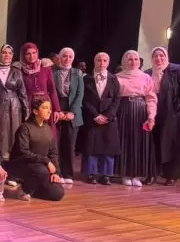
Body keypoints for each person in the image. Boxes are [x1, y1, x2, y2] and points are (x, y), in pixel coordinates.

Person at [145, 47, 180, 186]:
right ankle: (152, 174)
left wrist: (178, 106)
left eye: (161, 55)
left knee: (172, 144)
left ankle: (171, 175)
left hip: (173, 114)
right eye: (155, 56)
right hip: (153, 112)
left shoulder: (177, 70)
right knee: (153, 143)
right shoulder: (148, 73)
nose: (158, 58)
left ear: (166, 56)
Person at [4, 96, 65, 201]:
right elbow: (23, 152)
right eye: (45, 107)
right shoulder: (25, 128)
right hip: (22, 165)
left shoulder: (48, 129)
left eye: (49, 108)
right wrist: (46, 161)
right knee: (41, 171)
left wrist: (56, 173)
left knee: (58, 193)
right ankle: (24, 191)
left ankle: (34, 189)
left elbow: (53, 153)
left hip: (41, 167)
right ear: (35, 111)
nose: (49, 111)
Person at [115, 50, 157, 187]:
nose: (133, 62)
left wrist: (151, 117)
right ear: (124, 61)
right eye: (130, 59)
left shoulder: (146, 77)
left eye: (136, 59)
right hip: (122, 110)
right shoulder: (116, 77)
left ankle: (137, 175)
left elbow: (151, 98)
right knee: (124, 141)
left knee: (139, 142)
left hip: (140, 111)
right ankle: (124, 174)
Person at [0, 44, 29, 162]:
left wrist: (26, 111)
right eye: (4, 52)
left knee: (13, 135)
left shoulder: (16, 71)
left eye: (10, 53)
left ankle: (12, 165)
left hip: (14, 108)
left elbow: (22, 93)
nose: (7, 55)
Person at [81, 52, 121, 185]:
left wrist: (107, 115)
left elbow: (116, 99)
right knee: (91, 146)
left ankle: (106, 175)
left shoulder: (114, 79)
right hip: (92, 118)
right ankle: (91, 173)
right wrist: (95, 115)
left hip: (109, 119)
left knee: (108, 146)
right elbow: (84, 99)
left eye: (104, 60)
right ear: (94, 62)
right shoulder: (86, 79)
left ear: (108, 63)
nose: (101, 63)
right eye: (99, 60)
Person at [52, 47, 84, 184]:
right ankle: (57, 173)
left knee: (69, 144)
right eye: (65, 56)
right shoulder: (52, 71)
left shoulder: (78, 73)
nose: (67, 59)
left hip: (72, 110)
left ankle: (68, 174)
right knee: (56, 144)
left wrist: (72, 112)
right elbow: (51, 92)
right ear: (60, 57)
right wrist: (57, 110)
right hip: (57, 108)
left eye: (70, 56)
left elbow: (80, 94)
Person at [17, 42, 62, 128]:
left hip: (46, 103)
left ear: (37, 53)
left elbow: (52, 90)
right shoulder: (20, 71)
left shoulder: (46, 68)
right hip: (29, 105)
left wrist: (57, 109)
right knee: (31, 130)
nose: (32, 56)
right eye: (28, 54)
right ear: (23, 55)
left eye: (34, 53)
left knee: (47, 131)